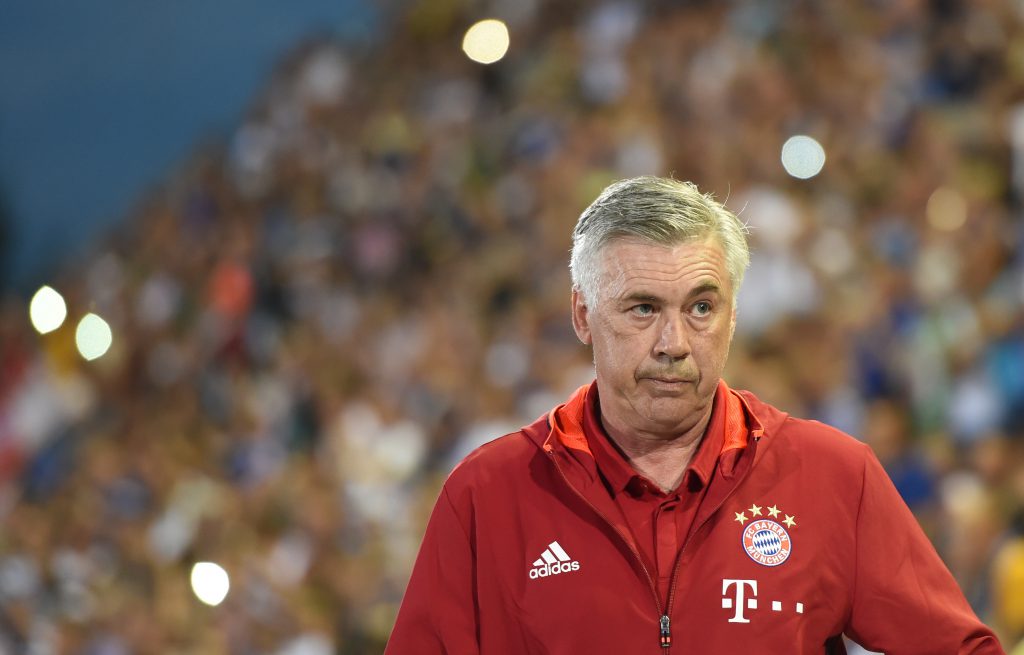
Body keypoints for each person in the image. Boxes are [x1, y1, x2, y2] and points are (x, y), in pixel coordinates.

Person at [384, 177, 1004, 653]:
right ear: (581, 316)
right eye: (643, 308)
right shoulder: (486, 496)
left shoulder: (835, 475)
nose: (674, 342)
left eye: (702, 307)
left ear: (733, 316)